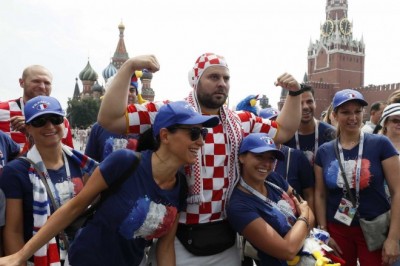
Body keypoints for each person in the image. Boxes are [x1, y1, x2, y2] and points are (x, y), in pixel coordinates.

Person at [97, 53, 304, 265]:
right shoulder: (170, 112)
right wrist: (129, 67)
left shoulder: (241, 121)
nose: (222, 84)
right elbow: (110, 119)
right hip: (177, 240)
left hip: (226, 241)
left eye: (226, 78)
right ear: (196, 80)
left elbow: (284, 131)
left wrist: (295, 93)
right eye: (213, 77)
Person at [0, 100, 219, 266]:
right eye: (193, 133)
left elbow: (165, 246)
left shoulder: (180, 187)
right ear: (165, 135)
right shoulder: (125, 161)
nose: (200, 141)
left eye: (203, 133)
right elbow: (74, 208)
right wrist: (20, 256)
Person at [0, 96, 96, 265]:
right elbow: (13, 231)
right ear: (28, 127)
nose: (49, 126)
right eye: (40, 121)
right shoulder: (15, 172)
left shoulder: (81, 163)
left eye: (55, 119)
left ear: (64, 122)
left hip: (83, 256)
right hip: (39, 260)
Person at [314, 89, 400, 265]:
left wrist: (393, 238)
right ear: (335, 115)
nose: (353, 117)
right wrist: (324, 232)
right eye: (346, 112)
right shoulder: (324, 151)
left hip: (374, 227)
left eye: (357, 112)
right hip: (338, 229)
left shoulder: (380, 144)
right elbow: (320, 194)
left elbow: (398, 191)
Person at [227, 133, 315, 265]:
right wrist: (303, 216)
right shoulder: (239, 205)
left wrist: (303, 222)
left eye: (271, 159)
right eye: (259, 156)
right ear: (242, 157)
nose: (266, 164)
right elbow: (288, 251)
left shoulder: (273, 179)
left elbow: (311, 216)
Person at [0, 65, 74, 153]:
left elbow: (68, 157)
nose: (42, 86)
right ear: (21, 82)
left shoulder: (60, 121)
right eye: (36, 81)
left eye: (47, 83)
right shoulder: (2, 111)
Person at [259, 107, 314, 208]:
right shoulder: (251, 158)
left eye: (277, 125)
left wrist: (310, 219)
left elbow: (309, 194)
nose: (274, 129)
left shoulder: (296, 156)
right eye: (269, 124)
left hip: (294, 218)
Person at [85, 76, 140, 162]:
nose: (128, 93)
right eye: (123, 89)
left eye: (132, 90)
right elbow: (89, 164)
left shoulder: (143, 126)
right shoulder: (99, 127)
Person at [284, 85, 336, 166]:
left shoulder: (331, 134)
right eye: (300, 102)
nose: (305, 107)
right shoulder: (285, 136)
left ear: (315, 103)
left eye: (309, 101)